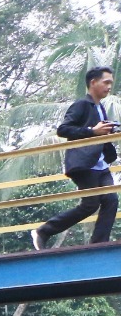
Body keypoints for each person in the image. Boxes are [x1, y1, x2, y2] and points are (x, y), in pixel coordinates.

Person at [33, 67, 118, 250]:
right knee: (90, 205)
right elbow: (63, 129)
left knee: (111, 200)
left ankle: (99, 244)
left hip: (101, 164)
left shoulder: (100, 108)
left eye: (111, 82)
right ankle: (44, 231)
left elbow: (98, 134)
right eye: (106, 82)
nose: (109, 86)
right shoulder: (81, 105)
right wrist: (92, 131)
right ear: (93, 82)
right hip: (84, 164)